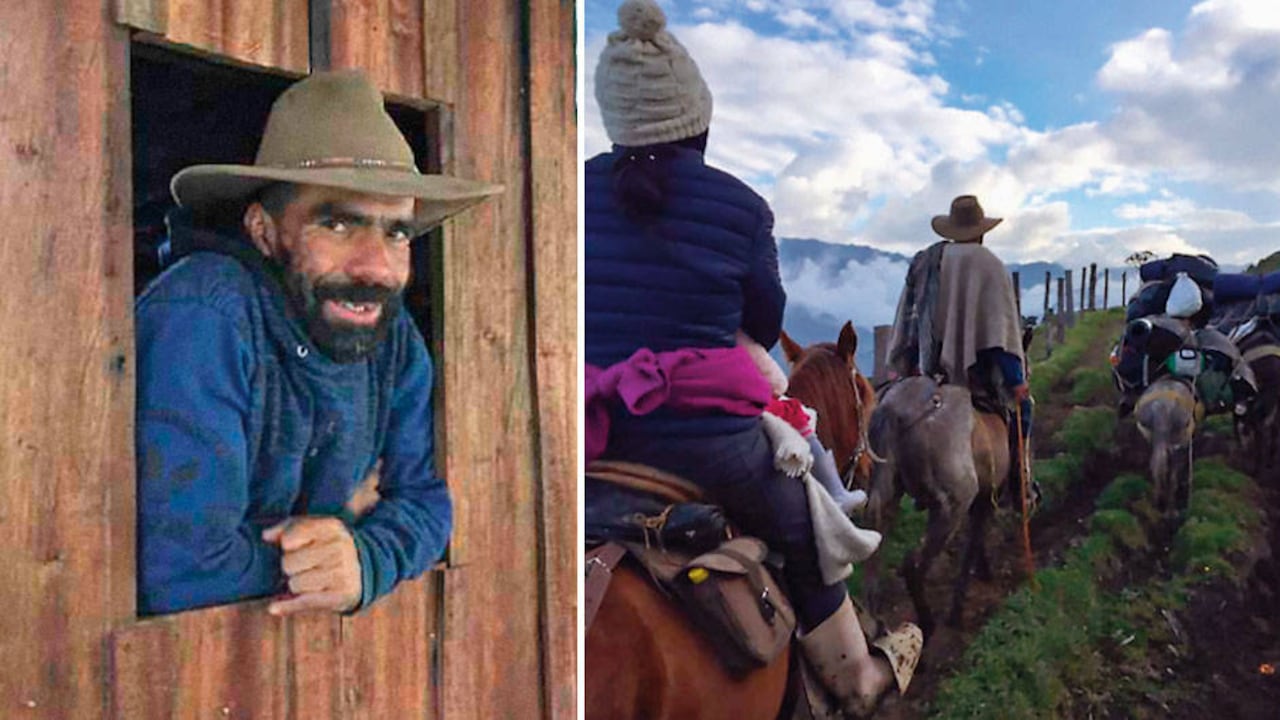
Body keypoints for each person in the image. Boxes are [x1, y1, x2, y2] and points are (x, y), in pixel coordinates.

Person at [584, 1, 919, 715]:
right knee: (804, 529)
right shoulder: (739, 206)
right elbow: (764, 323)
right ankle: (856, 674)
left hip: (584, 428)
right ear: (695, 120)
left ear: (614, 117)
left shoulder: (567, 190)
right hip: (706, 444)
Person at [135, 70, 501, 616]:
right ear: (263, 231)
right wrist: (342, 525)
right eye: (337, 224)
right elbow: (182, 570)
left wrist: (364, 556)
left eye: (396, 231)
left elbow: (425, 503)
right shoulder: (204, 316)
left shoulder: (389, 334)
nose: (376, 266)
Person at [889, 195, 1033, 469]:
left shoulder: (926, 260)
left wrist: (903, 366)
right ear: (981, 232)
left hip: (926, 366)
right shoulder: (989, 264)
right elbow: (998, 334)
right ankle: (1020, 476)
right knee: (1022, 409)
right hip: (976, 372)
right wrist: (1016, 381)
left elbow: (910, 320)